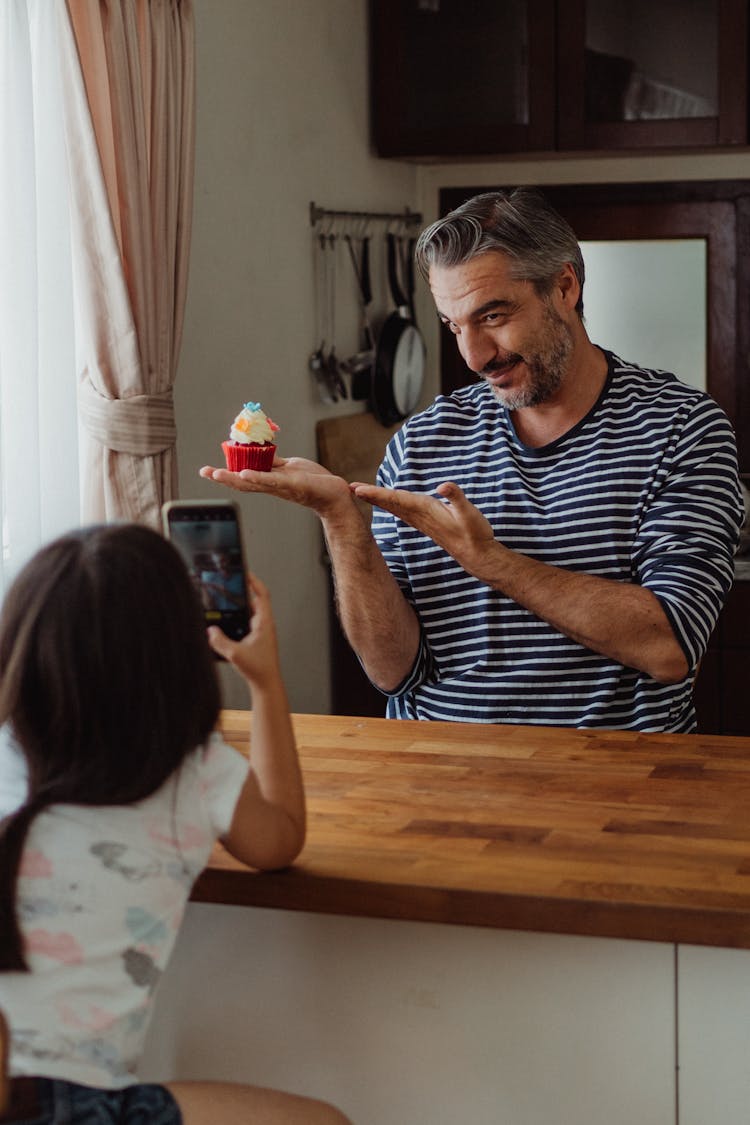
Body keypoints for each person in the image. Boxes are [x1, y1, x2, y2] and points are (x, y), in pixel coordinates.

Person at [201, 188, 744, 732]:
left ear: (565, 286)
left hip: (615, 778)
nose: (476, 355)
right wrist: (342, 520)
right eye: (454, 325)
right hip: (443, 771)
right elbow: (393, 672)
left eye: (494, 315)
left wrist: (489, 559)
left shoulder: (681, 429)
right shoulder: (422, 442)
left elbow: (671, 644)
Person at [0, 524, 351, 1125]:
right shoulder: (195, 774)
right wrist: (265, 682)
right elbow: (280, 838)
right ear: (178, 654)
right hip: (71, 1101)